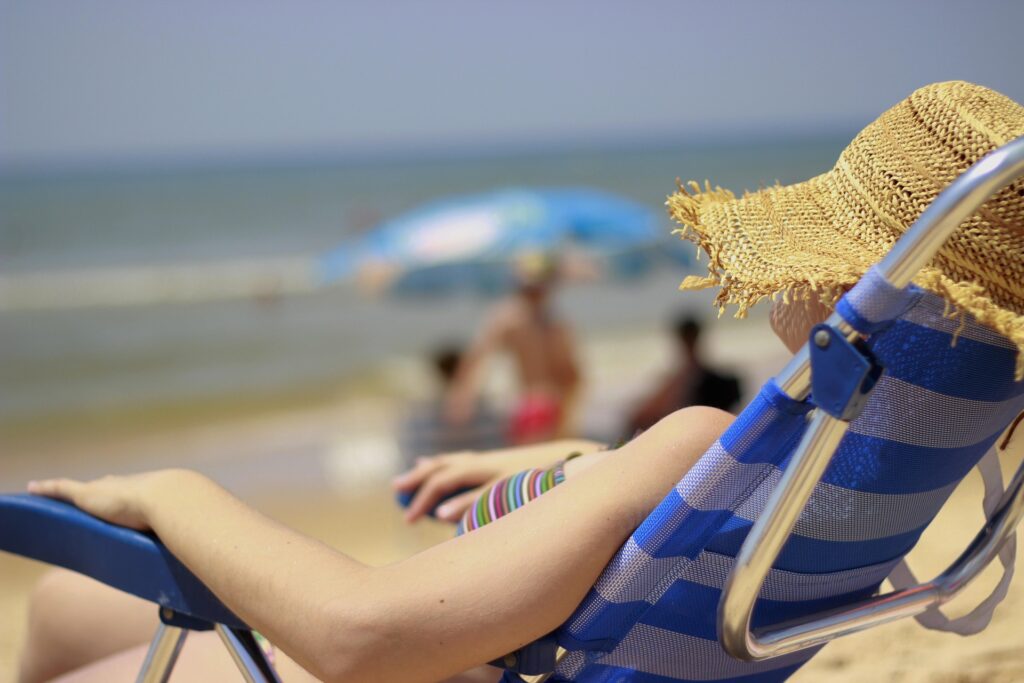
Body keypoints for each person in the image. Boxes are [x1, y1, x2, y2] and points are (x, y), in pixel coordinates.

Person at [16, 82, 1024, 683]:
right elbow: (693, 528)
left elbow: (360, 635)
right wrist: (585, 469)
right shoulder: (887, 466)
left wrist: (166, 487)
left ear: (858, 285)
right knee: (63, 607)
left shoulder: (702, 435)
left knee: (73, 606)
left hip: (450, 662)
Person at [444, 252, 581, 445]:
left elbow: (571, 373)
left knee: (545, 464)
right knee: (544, 463)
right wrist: (463, 395)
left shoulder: (546, 320)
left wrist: (463, 394)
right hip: (536, 402)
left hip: (544, 402)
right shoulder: (519, 317)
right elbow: (478, 356)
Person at [624, 315, 742, 436]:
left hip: (686, 435)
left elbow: (637, 419)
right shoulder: (720, 382)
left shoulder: (679, 380)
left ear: (680, 339)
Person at [398, 346, 504, 470]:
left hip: (433, 476)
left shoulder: (418, 412)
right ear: (467, 369)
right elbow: (497, 451)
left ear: (436, 372)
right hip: (477, 475)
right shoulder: (487, 409)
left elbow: (410, 458)